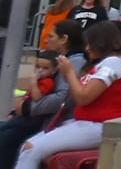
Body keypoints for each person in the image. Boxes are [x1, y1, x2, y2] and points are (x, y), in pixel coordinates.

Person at [17, 20, 121, 169]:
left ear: (101, 43)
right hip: (84, 123)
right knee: (27, 147)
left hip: (97, 125)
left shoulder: (114, 62)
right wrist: (70, 77)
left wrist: (70, 73)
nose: (87, 48)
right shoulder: (103, 64)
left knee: (32, 150)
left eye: (90, 43)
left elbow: (84, 98)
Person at [0, 20, 85, 166]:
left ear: (64, 39)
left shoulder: (74, 63)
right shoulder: (60, 59)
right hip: (36, 117)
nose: (46, 40)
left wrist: (28, 107)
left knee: (6, 141)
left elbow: (62, 98)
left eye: (51, 36)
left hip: (46, 121)